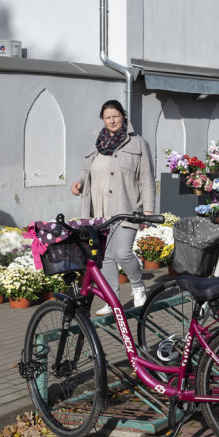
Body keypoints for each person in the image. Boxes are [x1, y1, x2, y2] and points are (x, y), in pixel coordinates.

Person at [70, 99, 155, 312]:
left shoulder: (138, 144)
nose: (112, 120)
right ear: (102, 120)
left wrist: (148, 210)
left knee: (123, 252)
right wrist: (78, 182)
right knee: (105, 257)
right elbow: (85, 169)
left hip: (126, 208)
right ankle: (112, 300)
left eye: (115, 116)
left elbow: (146, 179)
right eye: (108, 117)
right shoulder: (96, 145)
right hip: (99, 211)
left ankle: (137, 285)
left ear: (123, 116)